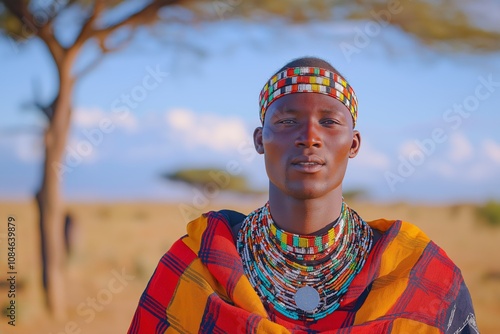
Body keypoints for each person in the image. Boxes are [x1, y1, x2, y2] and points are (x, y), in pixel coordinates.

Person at [128, 57, 478, 333]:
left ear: (353, 144)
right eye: (286, 121)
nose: (309, 136)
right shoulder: (201, 265)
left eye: (329, 122)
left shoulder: (416, 273)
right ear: (258, 140)